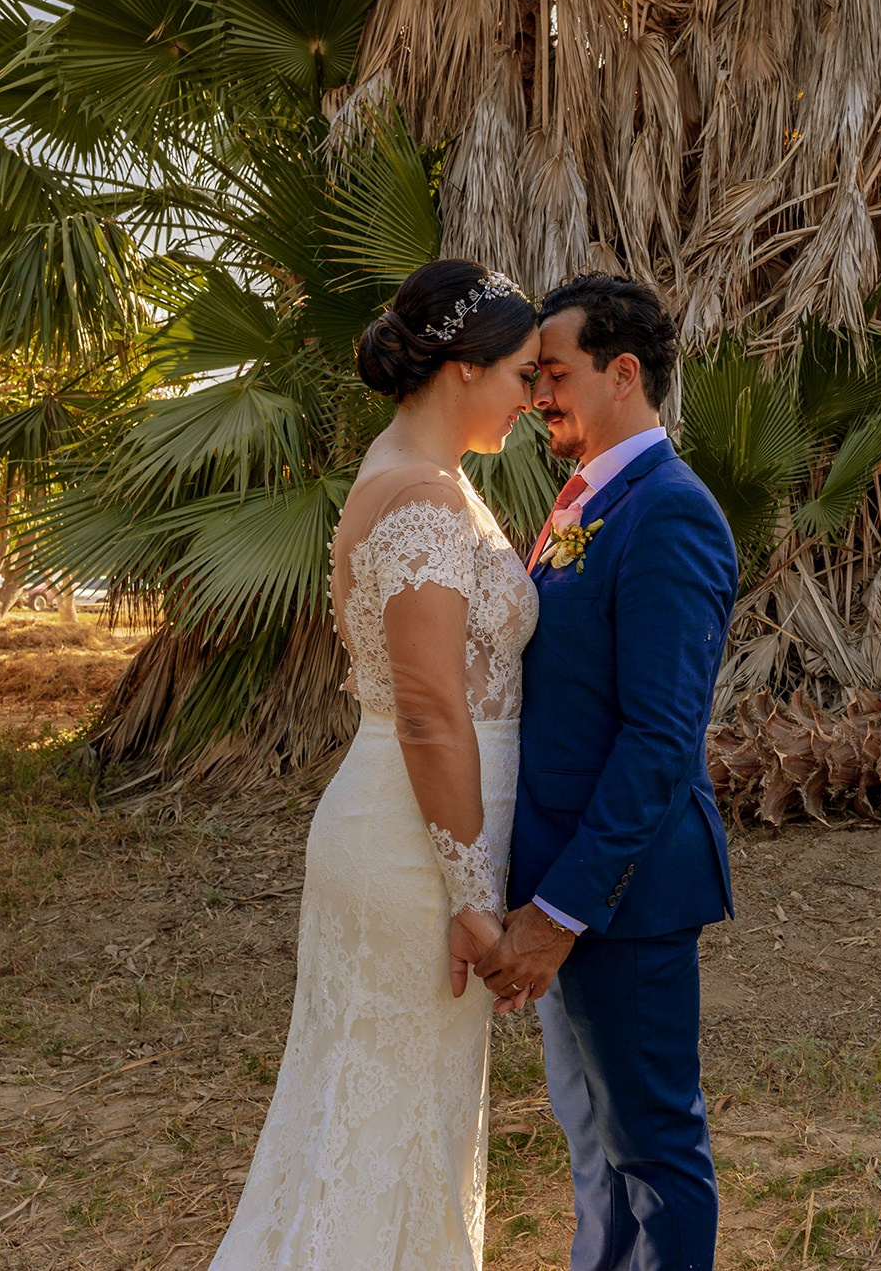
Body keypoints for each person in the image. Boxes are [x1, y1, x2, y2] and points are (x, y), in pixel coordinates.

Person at [210, 259, 540, 1271]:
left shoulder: (433, 485)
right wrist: (475, 896)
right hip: (414, 852)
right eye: (523, 373)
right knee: (378, 1112)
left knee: (398, 1121)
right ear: (464, 369)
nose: (533, 396)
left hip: (418, 840)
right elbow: (433, 712)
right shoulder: (420, 503)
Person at [474, 274, 738, 1271]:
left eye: (554, 373)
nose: (537, 393)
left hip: (622, 900)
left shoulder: (668, 513)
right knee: (595, 1150)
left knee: (653, 1151)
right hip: (563, 885)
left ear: (621, 373)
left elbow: (659, 741)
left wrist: (560, 913)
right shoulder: (583, 498)